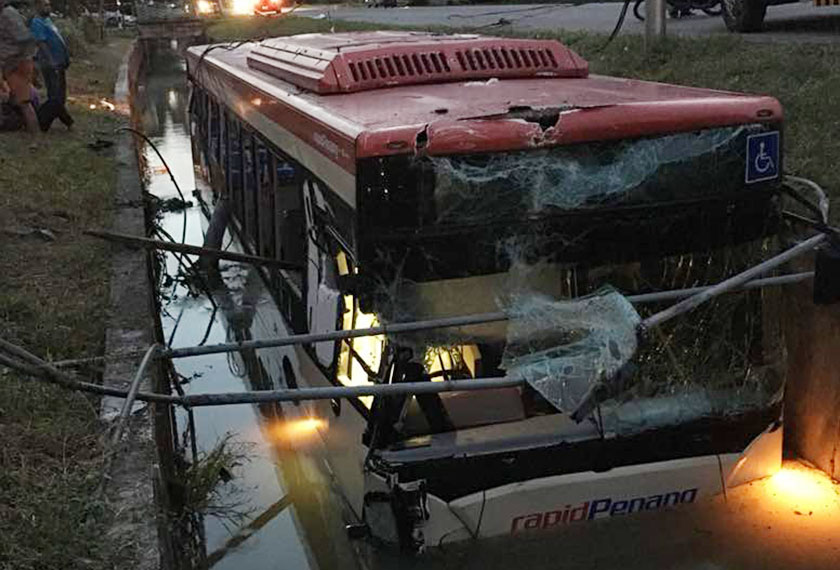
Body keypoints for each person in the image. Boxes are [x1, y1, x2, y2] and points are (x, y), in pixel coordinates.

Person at [29, 0, 72, 130]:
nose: (48, 7)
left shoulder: (47, 20)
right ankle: (43, 122)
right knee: (55, 96)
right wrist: (51, 60)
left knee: (60, 95)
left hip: (59, 62)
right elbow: (41, 43)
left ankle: (65, 121)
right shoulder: (37, 22)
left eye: (49, 5)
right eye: (45, 5)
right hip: (51, 64)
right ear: (37, 6)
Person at [0, 0, 38, 133]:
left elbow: (24, 39)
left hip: (17, 64)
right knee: (19, 101)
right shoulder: (6, 14)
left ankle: (35, 138)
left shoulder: (7, 14)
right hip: (14, 63)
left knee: (24, 103)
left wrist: (13, 62)